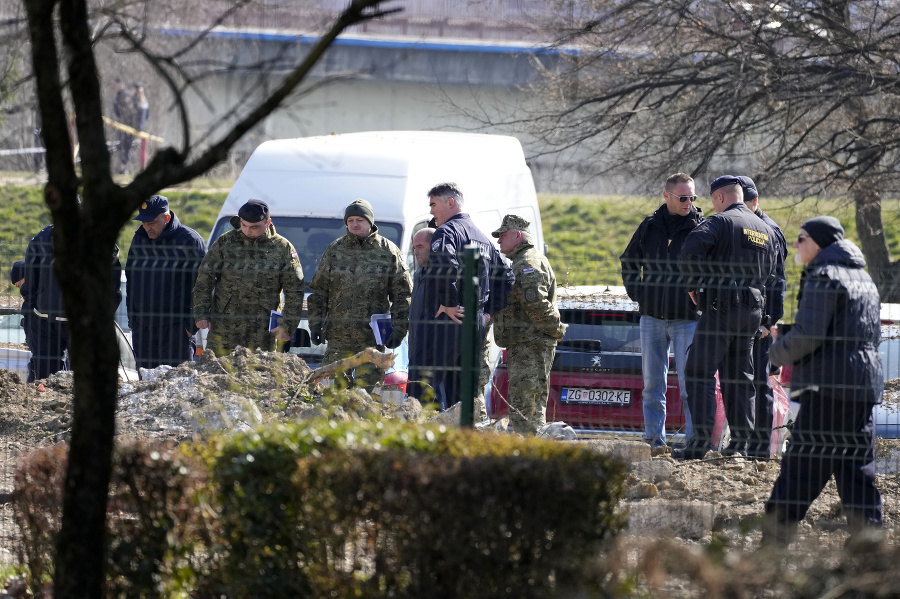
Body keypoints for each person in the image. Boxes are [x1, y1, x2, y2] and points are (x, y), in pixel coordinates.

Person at [763, 216, 883, 544]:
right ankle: (871, 552)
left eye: (801, 239)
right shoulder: (863, 279)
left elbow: (809, 335)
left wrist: (771, 355)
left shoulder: (824, 275)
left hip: (826, 389)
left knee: (801, 470)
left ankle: (770, 550)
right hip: (861, 388)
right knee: (857, 473)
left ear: (817, 242)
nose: (796, 245)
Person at [676, 175, 778, 459]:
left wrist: (694, 286)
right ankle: (740, 447)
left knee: (699, 371)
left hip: (721, 308)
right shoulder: (764, 228)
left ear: (719, 197)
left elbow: (690, 250)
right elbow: (771, 272)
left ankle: (699, 443)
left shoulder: (719, 222)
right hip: (751, 313)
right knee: (740, 378)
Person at [620, 172, 704, 450]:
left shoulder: (702, 227)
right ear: (666, 196)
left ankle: (694, 443)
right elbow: (629, 260)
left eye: (692, 197)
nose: (688, 202)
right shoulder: (650, 226)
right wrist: (639, 293)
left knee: (690, 385)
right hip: (652, 318)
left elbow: (714, 268)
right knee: (652, 386)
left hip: (687, 320)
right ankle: (654, 442)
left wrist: (700, 298)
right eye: (683, 197)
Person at [425, 182, 513, 409]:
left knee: (426, 385)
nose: (431, 211)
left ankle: (426, 438)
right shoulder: (482, 237)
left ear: (450, 202)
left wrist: (448, 303)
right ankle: (462, 437)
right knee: (463, 393)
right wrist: (487, 313)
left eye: (434, 204)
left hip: (451, 322)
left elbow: (445, 263)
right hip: (475, 323)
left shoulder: (447, 232)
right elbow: (507, 276)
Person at [307, 199, 412, 388]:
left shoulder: (388, 252)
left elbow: (402, 295)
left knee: (365, 396)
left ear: (370, 222)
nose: (354, 224)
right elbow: (319, 291)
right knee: (332, 394)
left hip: (372, 340)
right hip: (338, 339)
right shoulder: (335, 250)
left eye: (360, 220)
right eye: (350, 220)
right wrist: (315, 325)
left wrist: (398, 330)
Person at [192, 199, 304, 355]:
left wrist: (288, 325)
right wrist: (201, 312)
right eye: (243, 225)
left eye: (254, 227)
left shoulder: (282, 248)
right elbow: (205, 277)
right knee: (219, 374)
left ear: (268, 222)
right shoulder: (226, 242)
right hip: (224, 328)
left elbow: (295, 290)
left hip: (262, 332)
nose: (247, 231)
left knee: (258, 377)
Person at [491, 215, 566, 434]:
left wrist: (557, 329)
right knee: (524, 405)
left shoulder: (527, 263)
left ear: (517, 235)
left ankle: (531, 452)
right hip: (525, 345)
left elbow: (537, 304)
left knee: (527, 408)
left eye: (503, 235)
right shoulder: (523, 260)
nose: (498, 241)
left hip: (530, 346)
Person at [22, 225, 123, 381]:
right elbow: (30, 284)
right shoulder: (40, 239)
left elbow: (112, 286)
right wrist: (30, 316)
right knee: (44, 380)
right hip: (46, 321)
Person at [737, 176, 787, 459]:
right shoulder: (746, 225)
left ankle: (759, 452)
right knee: (744, 383)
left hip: (760, 322)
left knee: (759, 384)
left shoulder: (768, 230)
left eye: (743, 205)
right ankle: (744, 448)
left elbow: (777, 281)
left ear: (755, 203)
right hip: (744, 317)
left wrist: (769, 321)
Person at [125, 195, 207, 369]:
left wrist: (189, 327)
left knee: (176, 387)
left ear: (166, 217)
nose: (147, 227)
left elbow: (203, 286)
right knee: (145, 388)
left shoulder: (190, 241)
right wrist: (134, 321)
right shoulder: (139, 239)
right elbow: (131, 280)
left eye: (152, 222)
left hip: (176, 332)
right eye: (144, 222)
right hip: (144, 331)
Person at [407, 227, 438, 402]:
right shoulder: (420, 272)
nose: (415, 252)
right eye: (413, 247)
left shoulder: (441, 275)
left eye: (420, 246)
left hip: (431, 351)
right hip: (415, 348)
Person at [112, 76, 134, 171]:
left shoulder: (126, 95)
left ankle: (126, 168)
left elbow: (128, 111)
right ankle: (122, 167)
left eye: (116, 85)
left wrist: (124, 122)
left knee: (126, 146)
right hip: (121, 125)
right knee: (121, 146)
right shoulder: (119, 95)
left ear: (120, 84)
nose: (114, 87)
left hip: (127, 125)